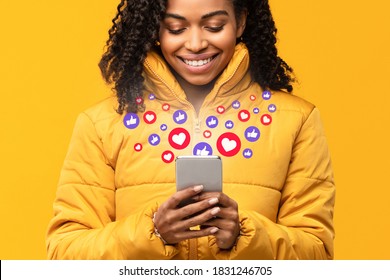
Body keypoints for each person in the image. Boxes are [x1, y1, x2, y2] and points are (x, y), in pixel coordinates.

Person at [46, 0, 335, 260]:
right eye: (175, 28)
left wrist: (245, 235)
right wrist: (153, 232)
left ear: (241, 21)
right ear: (155, 28)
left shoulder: (297, 120)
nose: (195, 44)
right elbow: (64, 251)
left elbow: (317, 252)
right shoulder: (101, 123)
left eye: (214, 26)